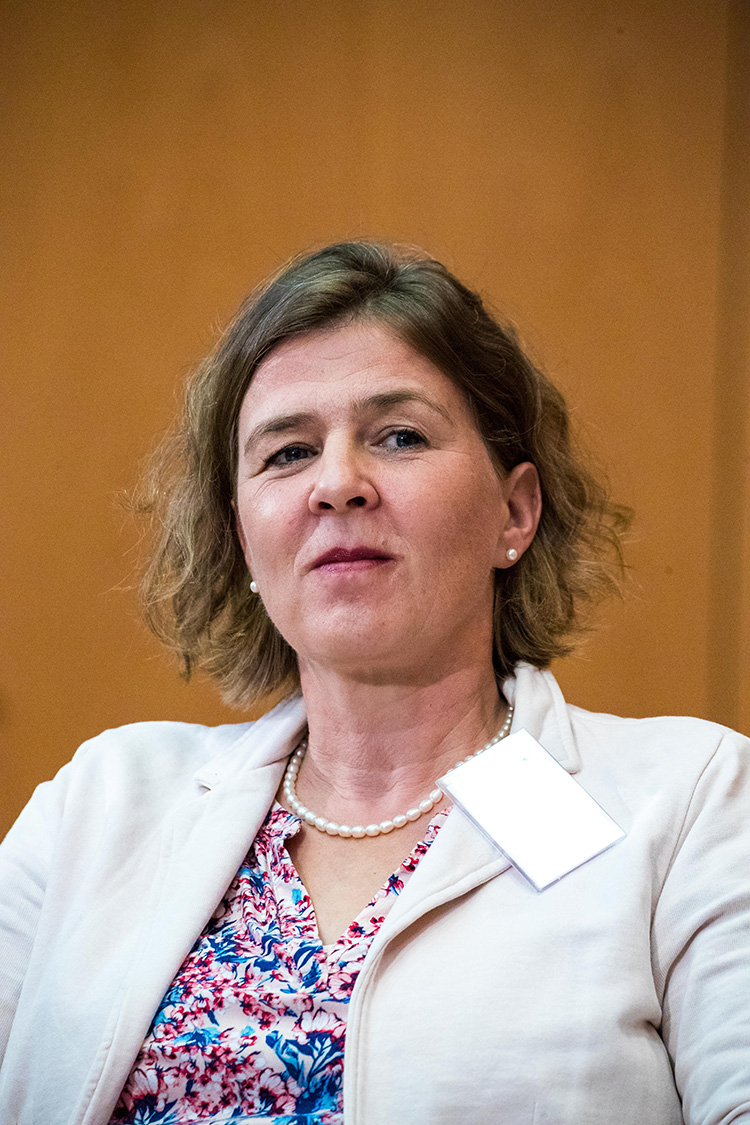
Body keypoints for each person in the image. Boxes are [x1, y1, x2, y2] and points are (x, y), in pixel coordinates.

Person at [1, 241, 748, 1125]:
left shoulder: (691, 800)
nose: (337, 484)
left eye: (399, 436)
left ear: (514, 511)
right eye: (288, 452)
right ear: (244, 538)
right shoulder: (98, 803)